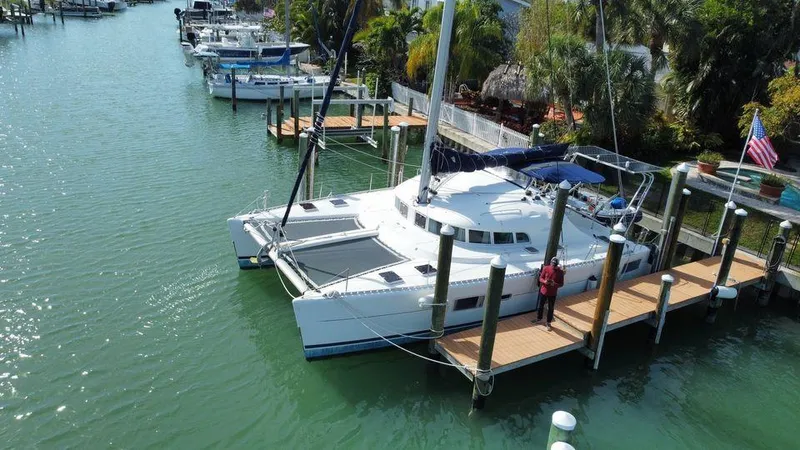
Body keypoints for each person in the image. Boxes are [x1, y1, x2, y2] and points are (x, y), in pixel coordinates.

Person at [537, 257, 564, 331]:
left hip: (552, 293)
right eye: (552, 264)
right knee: (540, 306)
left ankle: (548, 322)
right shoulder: (546, 268)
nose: (553, 266)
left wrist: (554, 284)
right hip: (543, 291)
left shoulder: (560, 272)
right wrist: (545, 281)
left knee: (551, 308)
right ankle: (539, 318)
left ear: (557, 264)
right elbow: (540, 278)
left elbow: (561, 284)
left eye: (554, 264)